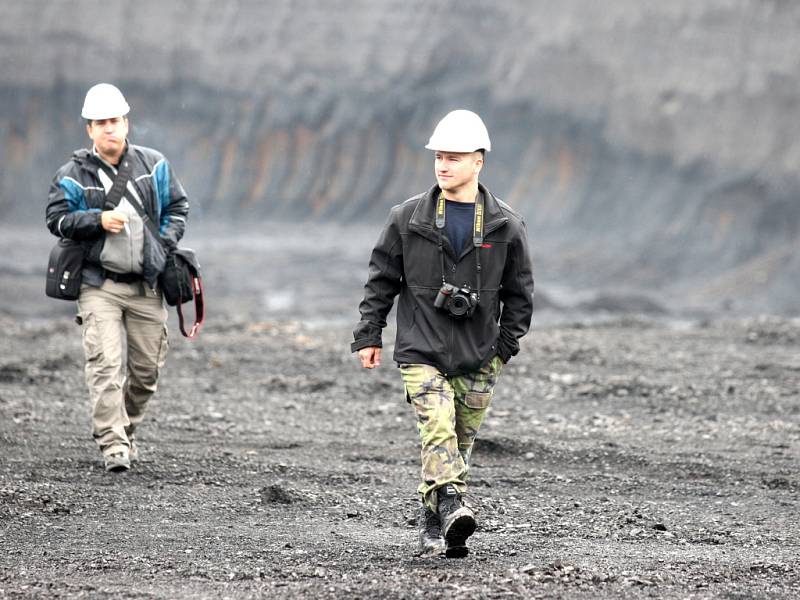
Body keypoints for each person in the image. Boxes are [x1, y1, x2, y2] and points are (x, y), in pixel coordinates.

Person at [351, 110, 534, 558]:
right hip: (420, 348)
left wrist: (502, 349)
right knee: (437, 428)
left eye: (454, 157)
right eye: (439, 157)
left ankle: (434, 522)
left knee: (458, 443)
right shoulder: (407, 218)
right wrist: (369, 334)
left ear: (479, 161)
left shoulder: (505, 225)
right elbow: (381, 280)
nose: (443, 165)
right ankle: (453, 504)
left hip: (479, 353)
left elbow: (520, 293)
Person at [46, 83, 189, 472]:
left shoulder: (154, 164)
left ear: (126, 123)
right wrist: (96, 220)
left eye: (115, 120)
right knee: (105, 366)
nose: (109, 128)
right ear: (89, 129)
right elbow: (56, 219)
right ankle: (113, 445)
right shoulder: (72, 174)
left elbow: (178, 206)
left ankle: (125, 428)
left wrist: (164, 242)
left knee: (146, 372)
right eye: (101, 123)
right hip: (98, 285)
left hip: (146, 285)